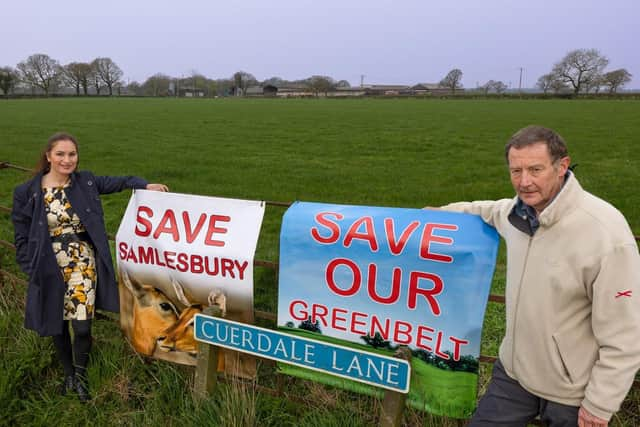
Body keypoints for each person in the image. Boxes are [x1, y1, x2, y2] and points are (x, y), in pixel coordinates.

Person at [437, 125, 640, 426]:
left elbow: (626, 332)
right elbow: (484, 210)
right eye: (515, 171)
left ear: (562, 167)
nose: (525, 182)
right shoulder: (515, 214)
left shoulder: (605, 233)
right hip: (514, 374)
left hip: (571, 392)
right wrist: (431, 215)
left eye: (535, 169)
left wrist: (600, 403)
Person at [11, 132, 169, 402]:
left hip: (82, 265)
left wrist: (145, 185)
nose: (66, 160)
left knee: (82, 326)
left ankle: (81, 375)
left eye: (71, 154)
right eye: (60, 154)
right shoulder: (27, 192)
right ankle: (69, 374)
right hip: (48, 266)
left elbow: (121, 181)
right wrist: (31, 266)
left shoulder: (86, 182)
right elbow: (21, 235)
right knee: (56, 323)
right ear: (48, 156)